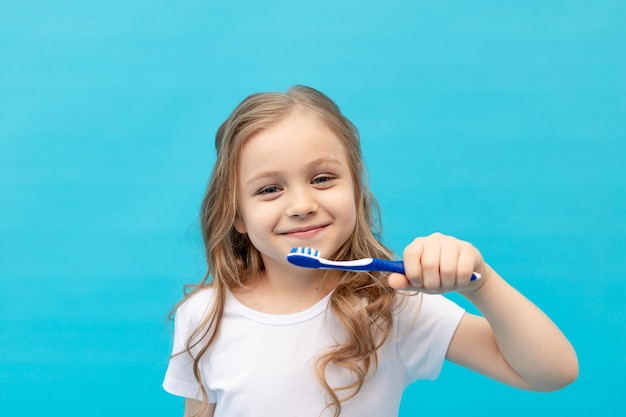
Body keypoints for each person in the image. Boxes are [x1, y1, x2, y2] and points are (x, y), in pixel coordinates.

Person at [162, 85, 578, 417]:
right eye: (270, 189)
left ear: (357, 191)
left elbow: (552, 372)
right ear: (236, 214)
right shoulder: (202, 315)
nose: (302, 204)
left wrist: (481, 284)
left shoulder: (390, 306)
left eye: (323, 178)